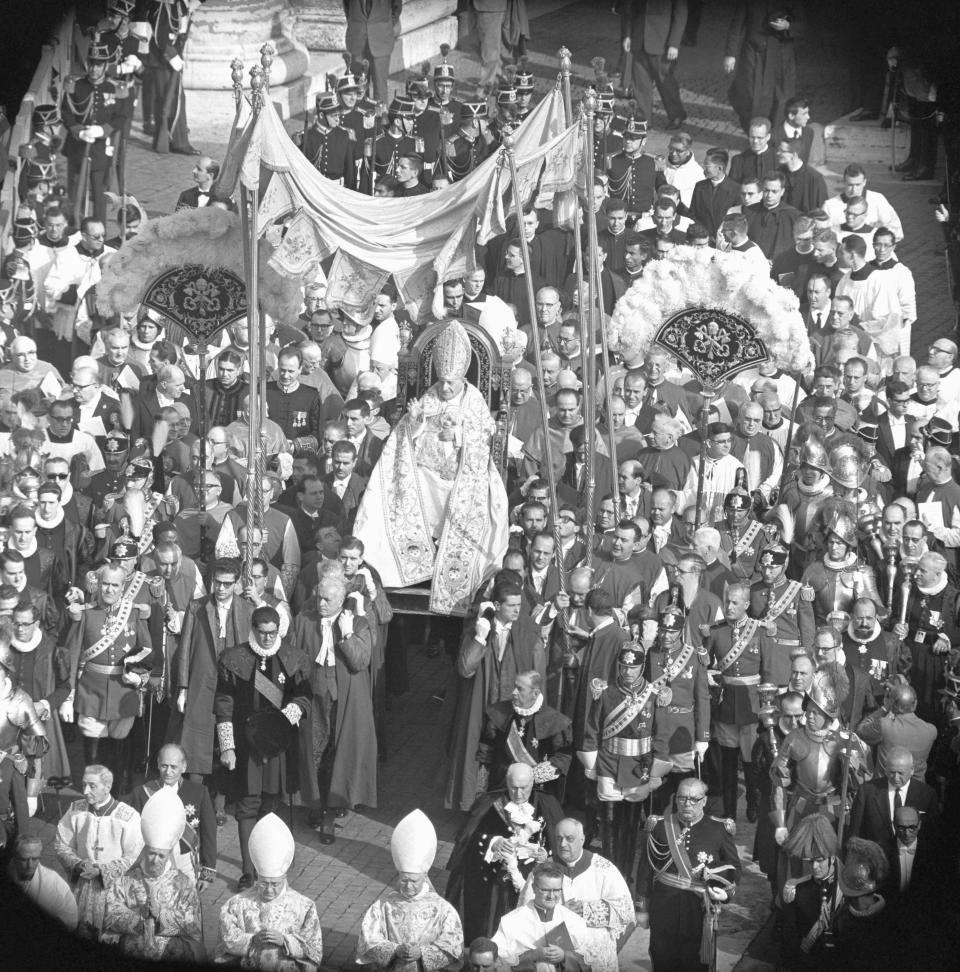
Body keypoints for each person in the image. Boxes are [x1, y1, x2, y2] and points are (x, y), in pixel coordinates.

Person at [355, 320, 509, 615]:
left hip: (462, 475)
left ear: (463, 378)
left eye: (452, 382)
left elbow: (487, 434)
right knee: (405, 489)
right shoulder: (431, 394)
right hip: (425, 472)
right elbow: (406, 437)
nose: (446, 387)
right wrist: (414, 420)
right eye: (443, 380)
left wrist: (461, 436)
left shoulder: (474, 398)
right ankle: (416, 564)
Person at [215, 605, 315, 889]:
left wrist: (285, 719)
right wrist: (227, 747)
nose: (268, 639)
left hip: (278, 746)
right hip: (245, 748)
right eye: (263, 633)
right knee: (247, 806)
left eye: (273, 633)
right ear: (254, 630)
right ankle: (248, 871)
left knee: (270, 805)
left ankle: (268, 868)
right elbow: (223, 706)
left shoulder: (294, 659)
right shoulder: (233, 659)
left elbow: (305, 697)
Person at [60, 560, 153, 795]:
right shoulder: (86, 614)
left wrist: (139, 677)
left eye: (115, 585)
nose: (109, 590)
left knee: (120, 751)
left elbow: (147, 650)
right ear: (98, 585)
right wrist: (69, 694)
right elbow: (72, 655)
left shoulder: (133, 613)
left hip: (124, 693)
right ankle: (92, 793)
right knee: (93, 752)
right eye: (105, 584)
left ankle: (117, 793)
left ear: (123, 587)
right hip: (91, 693)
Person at [446, 761, 563, 943]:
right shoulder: (489, 804)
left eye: (524, 788)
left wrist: (546, 854)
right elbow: (469, 838)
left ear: (532, 783)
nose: (518, 794)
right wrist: (494, 842)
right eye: (513, 787)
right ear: (506, 783)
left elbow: (557, 841)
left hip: (532, 882)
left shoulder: (547, 804)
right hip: (494, 883)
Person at [636, 777, 742, 972]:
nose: (687, 803)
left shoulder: (719, 829)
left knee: (695, 962)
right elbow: (645, 869)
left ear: (704, 801)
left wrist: (726, 894)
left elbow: (734, 867)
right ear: (675, 799)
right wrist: (642, 908)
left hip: (699, 909)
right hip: (664, 908)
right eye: (682, 798)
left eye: (694, 799)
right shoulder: (659, 826)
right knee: (663, 958)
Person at [102, 786, 205, 961]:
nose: (155, 860)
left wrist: (160, 916)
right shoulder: (127, 880)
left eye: (161, 855)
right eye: (151, 853)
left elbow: (193, 923)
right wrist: (140, 920)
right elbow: (110, 913)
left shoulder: (183, 884)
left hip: (172, 951)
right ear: (145, 849)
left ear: (169, 854)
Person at [357, 809, 464, 970]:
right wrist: (395, 950)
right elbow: (368, 939)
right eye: (404, 880)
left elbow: (453, 944)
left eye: (414, 881)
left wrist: (422, 953)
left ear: (424, 877)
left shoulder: (442, 908)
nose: (408, 886)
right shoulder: (383, 905)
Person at [215, 813, 324, 970]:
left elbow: (314, 948)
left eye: (275, 884)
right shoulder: (237, 904)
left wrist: (286, 941)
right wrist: (252, 941)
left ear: (284, 878)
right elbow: (226, 941)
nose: (269, 890)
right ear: (257, 878)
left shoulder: (304, 906)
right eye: (263, 883)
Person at [518, 817, 632, 962]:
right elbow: (525, 913)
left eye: (569, 838)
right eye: (558, 838)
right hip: (554, 953)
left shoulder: (604, 869)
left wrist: (586, 911)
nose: (562, 844)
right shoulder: (541, 871)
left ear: (582, 839)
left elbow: (625, 910)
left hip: (593, 955)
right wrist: (559, 913)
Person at [54, 763, 143, 943]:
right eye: (84, 785)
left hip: (115, 891)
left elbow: (134, 855)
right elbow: (61, 844)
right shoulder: (76, 810)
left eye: (92, 786)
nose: (86, 791)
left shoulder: (127, 816)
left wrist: (102, 871)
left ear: (107, 787)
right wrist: (78, 864)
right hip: (81, 886)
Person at [128, 742, 217, 886]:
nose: (168, 771)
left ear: (184, 766)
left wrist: (207, 873)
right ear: (157, 764)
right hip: (152, 861)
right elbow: (132, 834)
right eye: (164, 765)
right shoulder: (141, 793)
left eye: (173, 767)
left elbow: (209, 833)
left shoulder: (199, 792)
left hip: (184, 860)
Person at [478, 669, 572, 797]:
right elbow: (486, 748)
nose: (514, 692)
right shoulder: (499, 712)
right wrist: (482, 784)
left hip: (536, 790)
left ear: (535, 693)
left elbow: (563, 755)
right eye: (514, 687)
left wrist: (536, 775)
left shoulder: (554, 720)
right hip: (500, 786)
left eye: (520, 689)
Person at [492, 860, 600, 970]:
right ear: (534, 888)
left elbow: (591, 961)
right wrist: (532, 956)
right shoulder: (511, 921)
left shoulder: (574, 921)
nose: (551, 896)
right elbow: (496, 962)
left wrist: (565, 956)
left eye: (556, 890)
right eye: (546, 890)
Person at [724, 1, 797, 133]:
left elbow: (802, 25)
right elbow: (737, 24)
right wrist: (730, 54)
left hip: (781, 55)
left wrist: (788, 26)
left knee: (780, 97)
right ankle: (753, 133)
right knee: (748, 94)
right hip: (753, 53)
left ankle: (772, 134)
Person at [778, 814, 840, 968]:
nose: (814, 867)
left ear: (832, 858)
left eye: (819, 861)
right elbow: (790, 935)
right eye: (810, 861)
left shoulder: (844, 887)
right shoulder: (798, 890)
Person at [621, 0, 688, 130]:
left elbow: (680, 14)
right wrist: (628, 35)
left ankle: (676, 115)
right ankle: (643, 118)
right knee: (640, 84)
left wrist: (674, 43)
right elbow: (631, 10)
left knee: (665, 83)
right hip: (638, 40)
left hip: (662, 42)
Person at [7, 833, 78, 930]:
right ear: (15, 857)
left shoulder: (54, 883)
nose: (30, 865)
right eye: (24, 859)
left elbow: (69, 919)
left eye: (35, 859)